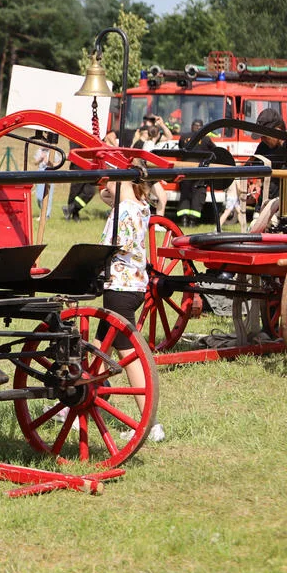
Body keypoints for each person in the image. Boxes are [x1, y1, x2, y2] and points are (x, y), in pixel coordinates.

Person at [97, 176, 165, 442]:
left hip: (119, 289)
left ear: (121, 181)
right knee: (98, 348)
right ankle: (76, 402)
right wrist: (114, 188)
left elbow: (111, 247)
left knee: (129, 356)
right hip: (134, 287)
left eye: (107, 181)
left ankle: (151, 424)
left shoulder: (123, 210)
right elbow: (108, 196)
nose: (103, 188)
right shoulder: (140, 204)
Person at [249, 108, 287, 233]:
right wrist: (254, 182)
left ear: (277, 130)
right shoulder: (263, 147)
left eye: (265, 136)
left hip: (284, 208)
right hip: (264, 204)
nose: (262, 140)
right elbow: (251, 166)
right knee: (253, 231)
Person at [175, 119, 216, 228]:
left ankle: (183, 220)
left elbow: (180, 148)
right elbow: (215, 151)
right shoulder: (206, 139)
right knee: (198, 195)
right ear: (202, 128)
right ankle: (192, 222)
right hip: (200, 171)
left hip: (185, 169)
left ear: (192, 126)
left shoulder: (184, 136)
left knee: (185, 194)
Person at [132, 115, 172, 217]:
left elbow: (169, 137)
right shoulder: (142, 145)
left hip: (151, 175)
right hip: (144, 176)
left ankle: (158, 223)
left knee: (162, 197)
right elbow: (146, 163)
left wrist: (162, 124)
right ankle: (137, 219)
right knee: (141, 199)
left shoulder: (150, 143)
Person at [33, 146, 53, 219]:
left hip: (49, 172)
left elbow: (58, 162)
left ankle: (46, 215)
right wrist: (40, 159)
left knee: (47, 195)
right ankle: (42, 211)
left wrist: (49, 162)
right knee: (39, 196)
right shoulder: (39, 151)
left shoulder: (53, 151)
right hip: (40, 172)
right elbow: (35, 162)